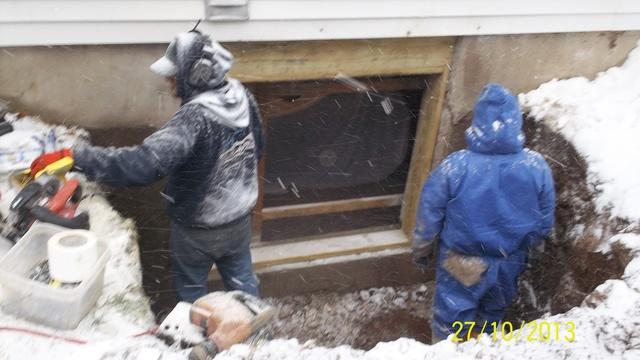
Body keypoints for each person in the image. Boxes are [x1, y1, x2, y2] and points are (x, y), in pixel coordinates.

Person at [31, 30, 265, 303]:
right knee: (243, 283)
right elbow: (257, 146)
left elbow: (142, 164)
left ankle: (190, 334)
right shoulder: (241, 95)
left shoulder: (194, 119)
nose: (168, 81)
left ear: (197, 75)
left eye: (173, 74)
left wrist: (78, 157)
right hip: (239, 220)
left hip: (198, 229)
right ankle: (254, 334)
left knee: (192, 293)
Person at [411, 83, 555, 343]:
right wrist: (531, 250)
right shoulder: (536, 166)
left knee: (452, 322)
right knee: (491, 315)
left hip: (463, 261)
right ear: (515, 122)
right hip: (510, 260)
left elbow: (429, 212)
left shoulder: (456, 167)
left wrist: (422, 249)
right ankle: (482, 347)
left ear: (478, 122)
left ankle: (447, 350)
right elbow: (544, 220)